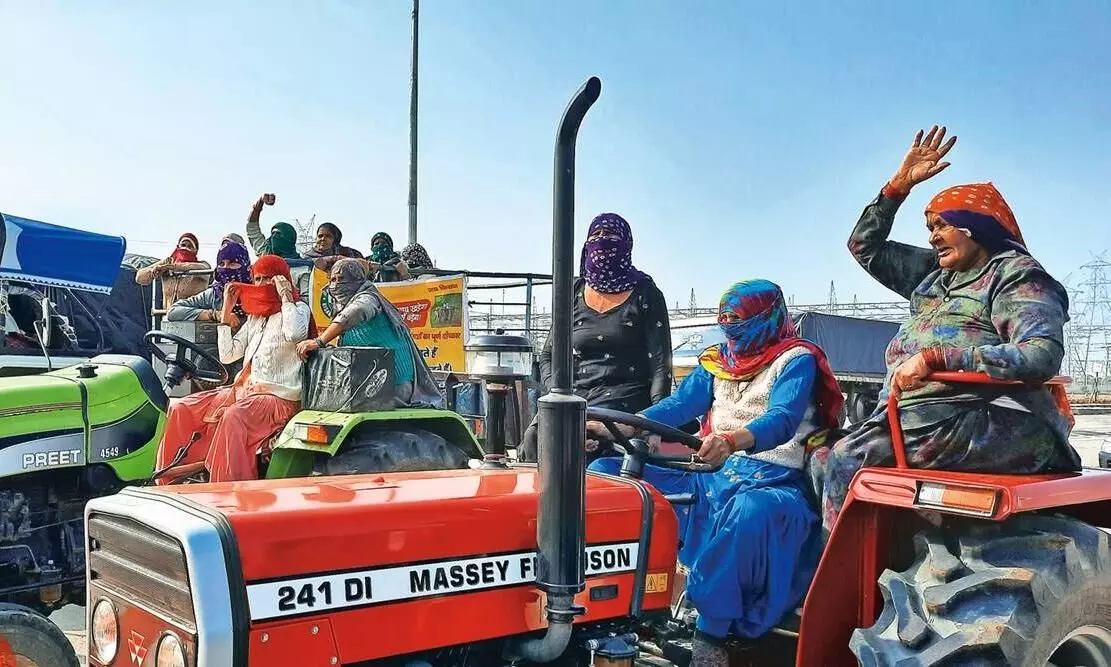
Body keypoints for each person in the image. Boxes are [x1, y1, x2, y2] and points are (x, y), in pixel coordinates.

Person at [814, 126, 1082, 540]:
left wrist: (938, 358)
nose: (933, 236)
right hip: (916, 418)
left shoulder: (1016, 277)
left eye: (942, 225)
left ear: (976, 227)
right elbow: (864, 247)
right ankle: (885, 553)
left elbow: (1039, 355)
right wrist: (897, 187)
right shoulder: (934, 277)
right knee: (817, 453)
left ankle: (844, 573)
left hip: (989, 416)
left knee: (847, 459)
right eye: (930, 227)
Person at [586, 279, 843, 666]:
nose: (731, 330)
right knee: (607, 476)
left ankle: (710, 636)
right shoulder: (717, 361)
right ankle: (614, 601)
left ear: (768, 317)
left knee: (749, 512)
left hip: (769, 479)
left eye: (739, 321)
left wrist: (731, 440)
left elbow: (782, 419)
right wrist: (620, 426)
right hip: (708, 473)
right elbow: (679, 406)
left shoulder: (796, 359)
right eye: (725, 321)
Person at [518, 213, 673, 463]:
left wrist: (654, 425)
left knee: (597, 450)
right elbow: (548, 355)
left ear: (627, 244)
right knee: (535, 437)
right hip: (574, 397)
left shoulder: (646, 293)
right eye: (595, 235)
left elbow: (660, 366)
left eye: (610, 235)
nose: (601, 240)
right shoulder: (573, 291)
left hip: (624, 402)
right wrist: (558, 395)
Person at [154, 255, 312, 483]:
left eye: (268, 278)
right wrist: (226, 310)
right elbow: (228, 355)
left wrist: (285, 295)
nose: (261, 284)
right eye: (257, 279)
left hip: (277, 399)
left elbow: (295, 333)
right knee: (180, 408)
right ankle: (168, 480)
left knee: (233, 417)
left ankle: (227, 488)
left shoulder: (298, 308)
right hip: (243, 391)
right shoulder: (256, 317)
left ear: (282, 279)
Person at [295, 258, 441, 407]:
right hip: (371, 383)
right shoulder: (346, 304)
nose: (336, 285)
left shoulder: (369, 297)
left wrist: (319, 341)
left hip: (394, 383)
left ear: (356, 279)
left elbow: (357, 311)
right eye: (333, 280)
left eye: (342, 279)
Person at [166, 238, 251, 323]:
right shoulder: (215, 294)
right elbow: (173, 311)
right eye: (221, 264)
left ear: (245, 264)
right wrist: (214, 315)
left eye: (232, 263)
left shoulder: (256, 290)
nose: (225, 268)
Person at [135, 232, 211, 309]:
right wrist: (154, 271)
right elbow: (139, 278)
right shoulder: (168, 262)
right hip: (167, 314)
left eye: (190, 246)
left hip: (193, 315)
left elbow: (202, 268)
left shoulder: (203, 265)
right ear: (177, 247)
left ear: (195, 250)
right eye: (183, 245)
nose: (185, 248)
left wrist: (171, 267)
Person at [245, 193, 301, 259]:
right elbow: (252, 227)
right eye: (273, 233)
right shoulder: (266, 253)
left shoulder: (303, 264)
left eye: (278, 233)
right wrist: (260, 203)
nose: (274, 236)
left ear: (289, 238)